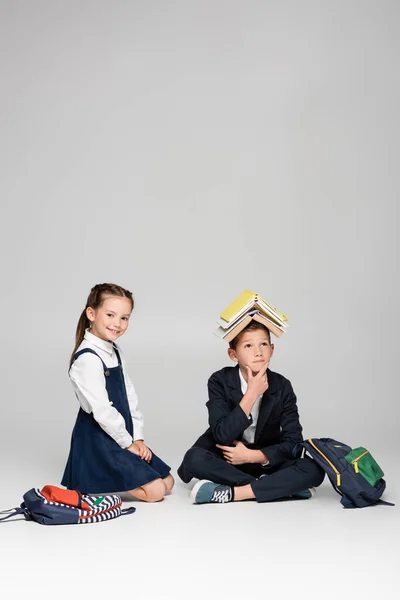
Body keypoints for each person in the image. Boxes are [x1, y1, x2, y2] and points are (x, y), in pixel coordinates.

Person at [178, 322, 324, 504]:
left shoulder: (282, 386)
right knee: (194, 458)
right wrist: (252, 394)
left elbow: (293, 443)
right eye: (248, 346)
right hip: (228, 459)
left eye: (263, 344)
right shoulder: (219, 380)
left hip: (265, 459)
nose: (258, 352)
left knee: (314, 468)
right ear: (233, 354)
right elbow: (221, 434)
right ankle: (278, 488)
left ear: (272, 349)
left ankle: (235, 493)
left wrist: (252, 456)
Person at [62, 283, 174, 502]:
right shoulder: (87, 359)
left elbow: (129, 395)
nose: (117, 324)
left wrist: (138, 437)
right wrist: (127, 443)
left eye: (124, 318)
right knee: (156, 492)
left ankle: (119, 474)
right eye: (110, 315)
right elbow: (102, 411)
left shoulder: (113, 350)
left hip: (122, 433)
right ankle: (98, 476)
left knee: (168, 482)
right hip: (100, 438)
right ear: (91, 314)